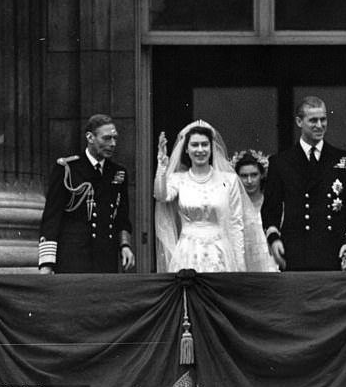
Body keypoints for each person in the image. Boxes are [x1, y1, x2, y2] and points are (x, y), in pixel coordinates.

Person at [154, 120, 275, 273]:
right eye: (195, 145)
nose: (200, 150)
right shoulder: (179, 180)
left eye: (205, 144)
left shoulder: (228, 180)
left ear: (212, 148)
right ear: (186, 149)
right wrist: (161, 167)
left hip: (220, 254)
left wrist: (239, 266)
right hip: (188, 253)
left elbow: (236, 224)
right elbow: (161, 195)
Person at [262, 96, 346, 271]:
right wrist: (274, 238)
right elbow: (271, 209)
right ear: (299, 121)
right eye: (313, 120)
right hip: (295, 253)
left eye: (323, 119)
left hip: (334, 252)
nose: (319, 125)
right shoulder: (281, 162)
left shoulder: (344, 159)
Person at [38, 114, 135, 274]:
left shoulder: (118, 172)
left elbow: (122, 217)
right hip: (73, 258)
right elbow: (51, 218)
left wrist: (125, 245)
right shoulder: (68, 169)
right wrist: (47, 263)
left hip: (106, 258)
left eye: (115, 138)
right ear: (90, 137)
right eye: (107, 138)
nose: (113, 144)